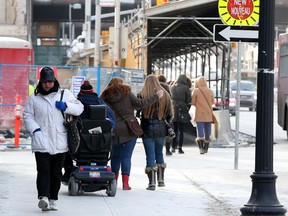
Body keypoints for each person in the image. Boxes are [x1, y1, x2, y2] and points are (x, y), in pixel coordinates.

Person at [23, 67, 84, 211]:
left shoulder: (65, 94)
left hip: (59, 140)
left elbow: (79, 108)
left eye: (50, 81)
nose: (47, 84)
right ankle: (43, 197)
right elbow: (27, 115)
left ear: (54, 81)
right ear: (41, 82)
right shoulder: (35, 98)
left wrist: (66, 106)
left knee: (56, 172)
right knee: (43, 169)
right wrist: (35, 130)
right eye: (44, 81)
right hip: (41, 139)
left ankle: (53, 199)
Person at [100, 77, 163, 190]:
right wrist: (156, 96)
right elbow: (140, 103)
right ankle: (125, 184)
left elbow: (100, 110)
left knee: (115, 157)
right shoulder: (127, 93)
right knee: (126, 157)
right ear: (121, 84)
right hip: (129, 130)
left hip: (113, 129)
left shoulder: (105, 96)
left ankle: (113, 182)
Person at [62, 80, 116, 184]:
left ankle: (68, 172)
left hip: (81, 147)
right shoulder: (101, 104)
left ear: (81, 92)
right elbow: (112, 123)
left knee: (65, 149)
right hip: (102, 146)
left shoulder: (77, 105)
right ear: (93, 91)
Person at [138, 75, 173, 191]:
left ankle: (152, 183)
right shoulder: (165, 94)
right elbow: (170, 114)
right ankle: (161, 180)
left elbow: (138, 112)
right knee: (159, 153)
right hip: (161, 129)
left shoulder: (142, 94)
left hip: (147, 128)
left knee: (150, 155)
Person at [191, 76, 215, 154]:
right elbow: (212, 102)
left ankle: (201, 148)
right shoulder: (210, 91)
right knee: (208, 131)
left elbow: (193, 103)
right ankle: (206, 148)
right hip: (208, 113)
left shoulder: (196, 91)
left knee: (200, 132)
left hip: (199, 114)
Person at [170, 74, 192, 154]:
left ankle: (173, 147)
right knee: (181, 130)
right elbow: (189, 99)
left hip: (173, 109)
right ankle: (180, 148)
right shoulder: (185, 87)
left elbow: (170, 97)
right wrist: (183, 103)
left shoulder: (172, 87)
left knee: (174, 129)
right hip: (182, 108)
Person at [157, 75, 173, 156]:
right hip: (166, 111)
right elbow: (170, 99)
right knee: (167, 128)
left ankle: (158, 148)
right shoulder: (167, 87)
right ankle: (167, 149)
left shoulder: (155, 87)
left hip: (156, 111)